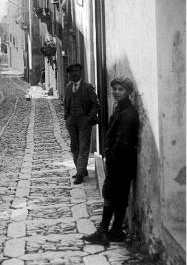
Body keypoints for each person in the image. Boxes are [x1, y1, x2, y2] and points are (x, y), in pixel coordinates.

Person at [83, 77, 139, 246]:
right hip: (119, 162)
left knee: (113, 195)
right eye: (114, 89)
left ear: (128, 91)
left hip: (121, 163)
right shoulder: (120, 108)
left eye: (120, 89)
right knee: (117, 196)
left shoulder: (129, 113)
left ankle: (105, 231)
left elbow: (122, 141)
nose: (116, 92)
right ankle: (114, 231)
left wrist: (112, 160)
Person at [64, 62, 100, 184]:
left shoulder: (88, 87)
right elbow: (66, 103)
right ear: (69, 74)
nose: (74, 73)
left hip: (84, 121)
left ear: (81, 73)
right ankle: (81, 169)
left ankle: (80, 174)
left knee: (84, 147)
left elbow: (96, 105)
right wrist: (67, 117)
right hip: (72, 122)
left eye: (76, 71)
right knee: (74, 147)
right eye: (71, 72)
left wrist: (89, 117)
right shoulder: (68, 87)